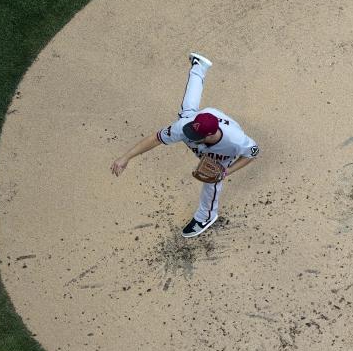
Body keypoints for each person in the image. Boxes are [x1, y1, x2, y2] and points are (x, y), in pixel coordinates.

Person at [111, 53, 259, 238]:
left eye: (195, 135)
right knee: (186, 115)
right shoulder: (184, 127)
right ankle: (199, 68)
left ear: (210, 134)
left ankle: (206, 216)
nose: (189, 136)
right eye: (191, 131)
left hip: (222, 154)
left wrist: (226, 172)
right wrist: (125, 157)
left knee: (213, 178)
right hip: (204, 122)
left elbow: (253, 153)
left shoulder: (236, 141)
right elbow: (155, 139)